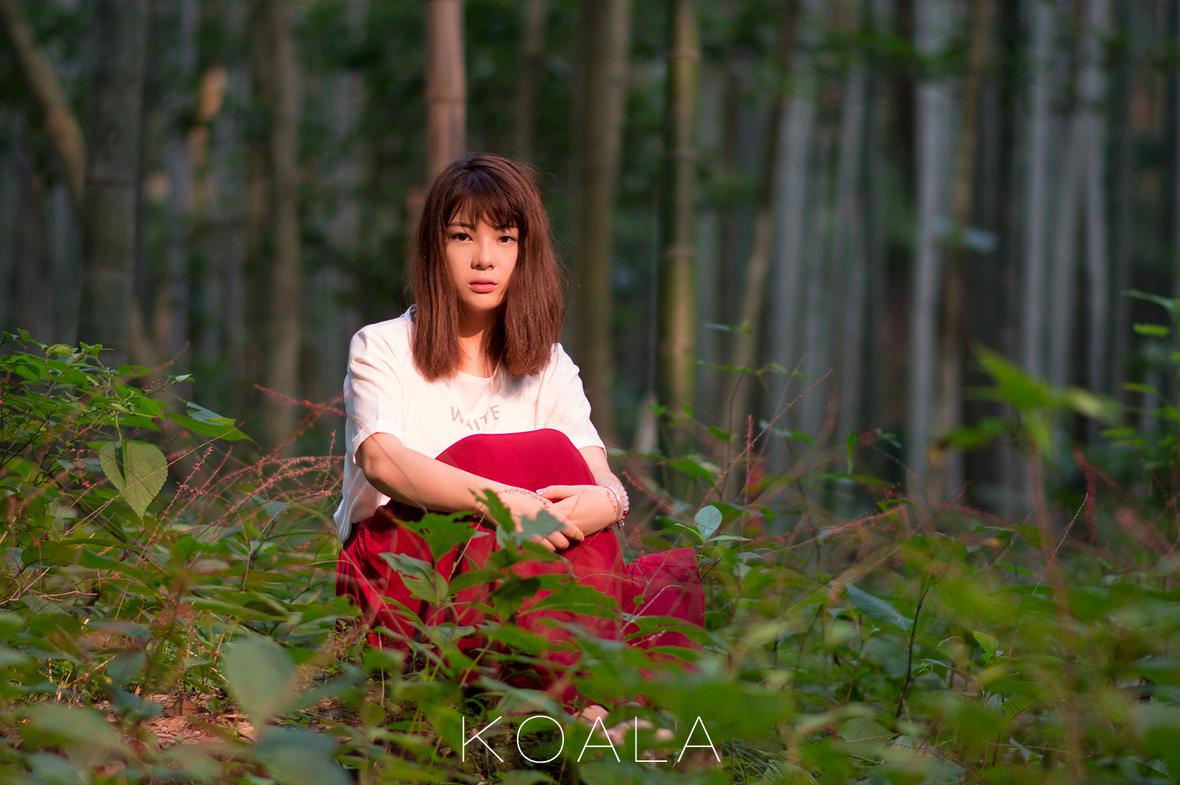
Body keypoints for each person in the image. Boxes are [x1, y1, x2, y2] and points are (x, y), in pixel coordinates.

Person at [333, 153, 704, 730]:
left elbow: (595, 472)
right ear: (434, 247)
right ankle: (586, 701)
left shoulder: (548, 363)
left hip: (524, 572)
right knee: (496, 456)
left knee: (640, 558)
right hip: (406, 571)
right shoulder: (383, 345)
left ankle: (585, 705)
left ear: (525, 252)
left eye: (505, 238)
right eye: (462, 236)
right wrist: (504, 501)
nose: (484, 258)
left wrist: (608, 501)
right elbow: (382, 460)